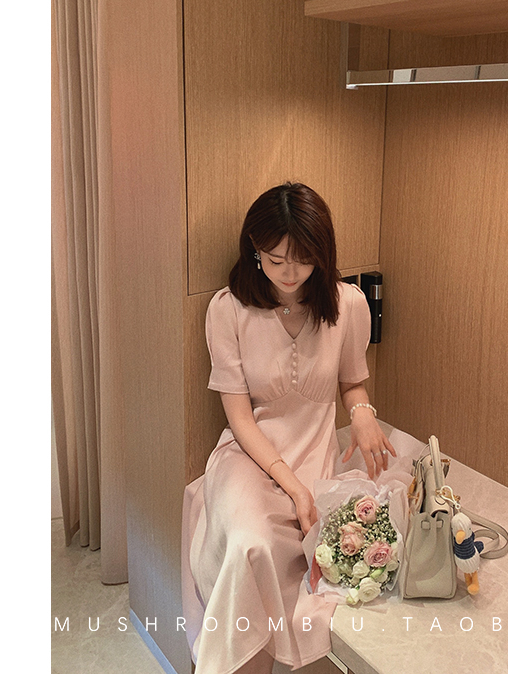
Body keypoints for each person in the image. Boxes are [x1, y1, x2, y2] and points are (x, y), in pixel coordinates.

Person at [184, 182, 396, 674]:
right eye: (276, 259)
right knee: (251, 541)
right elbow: (239, 418)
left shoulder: (348, 305)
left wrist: (363, 413)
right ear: (254, 249)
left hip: (315, 455)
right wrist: (294, 487)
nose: (289, 272)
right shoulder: (228, 309)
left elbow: (353, 385)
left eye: (303, 260)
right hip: (250, 456)